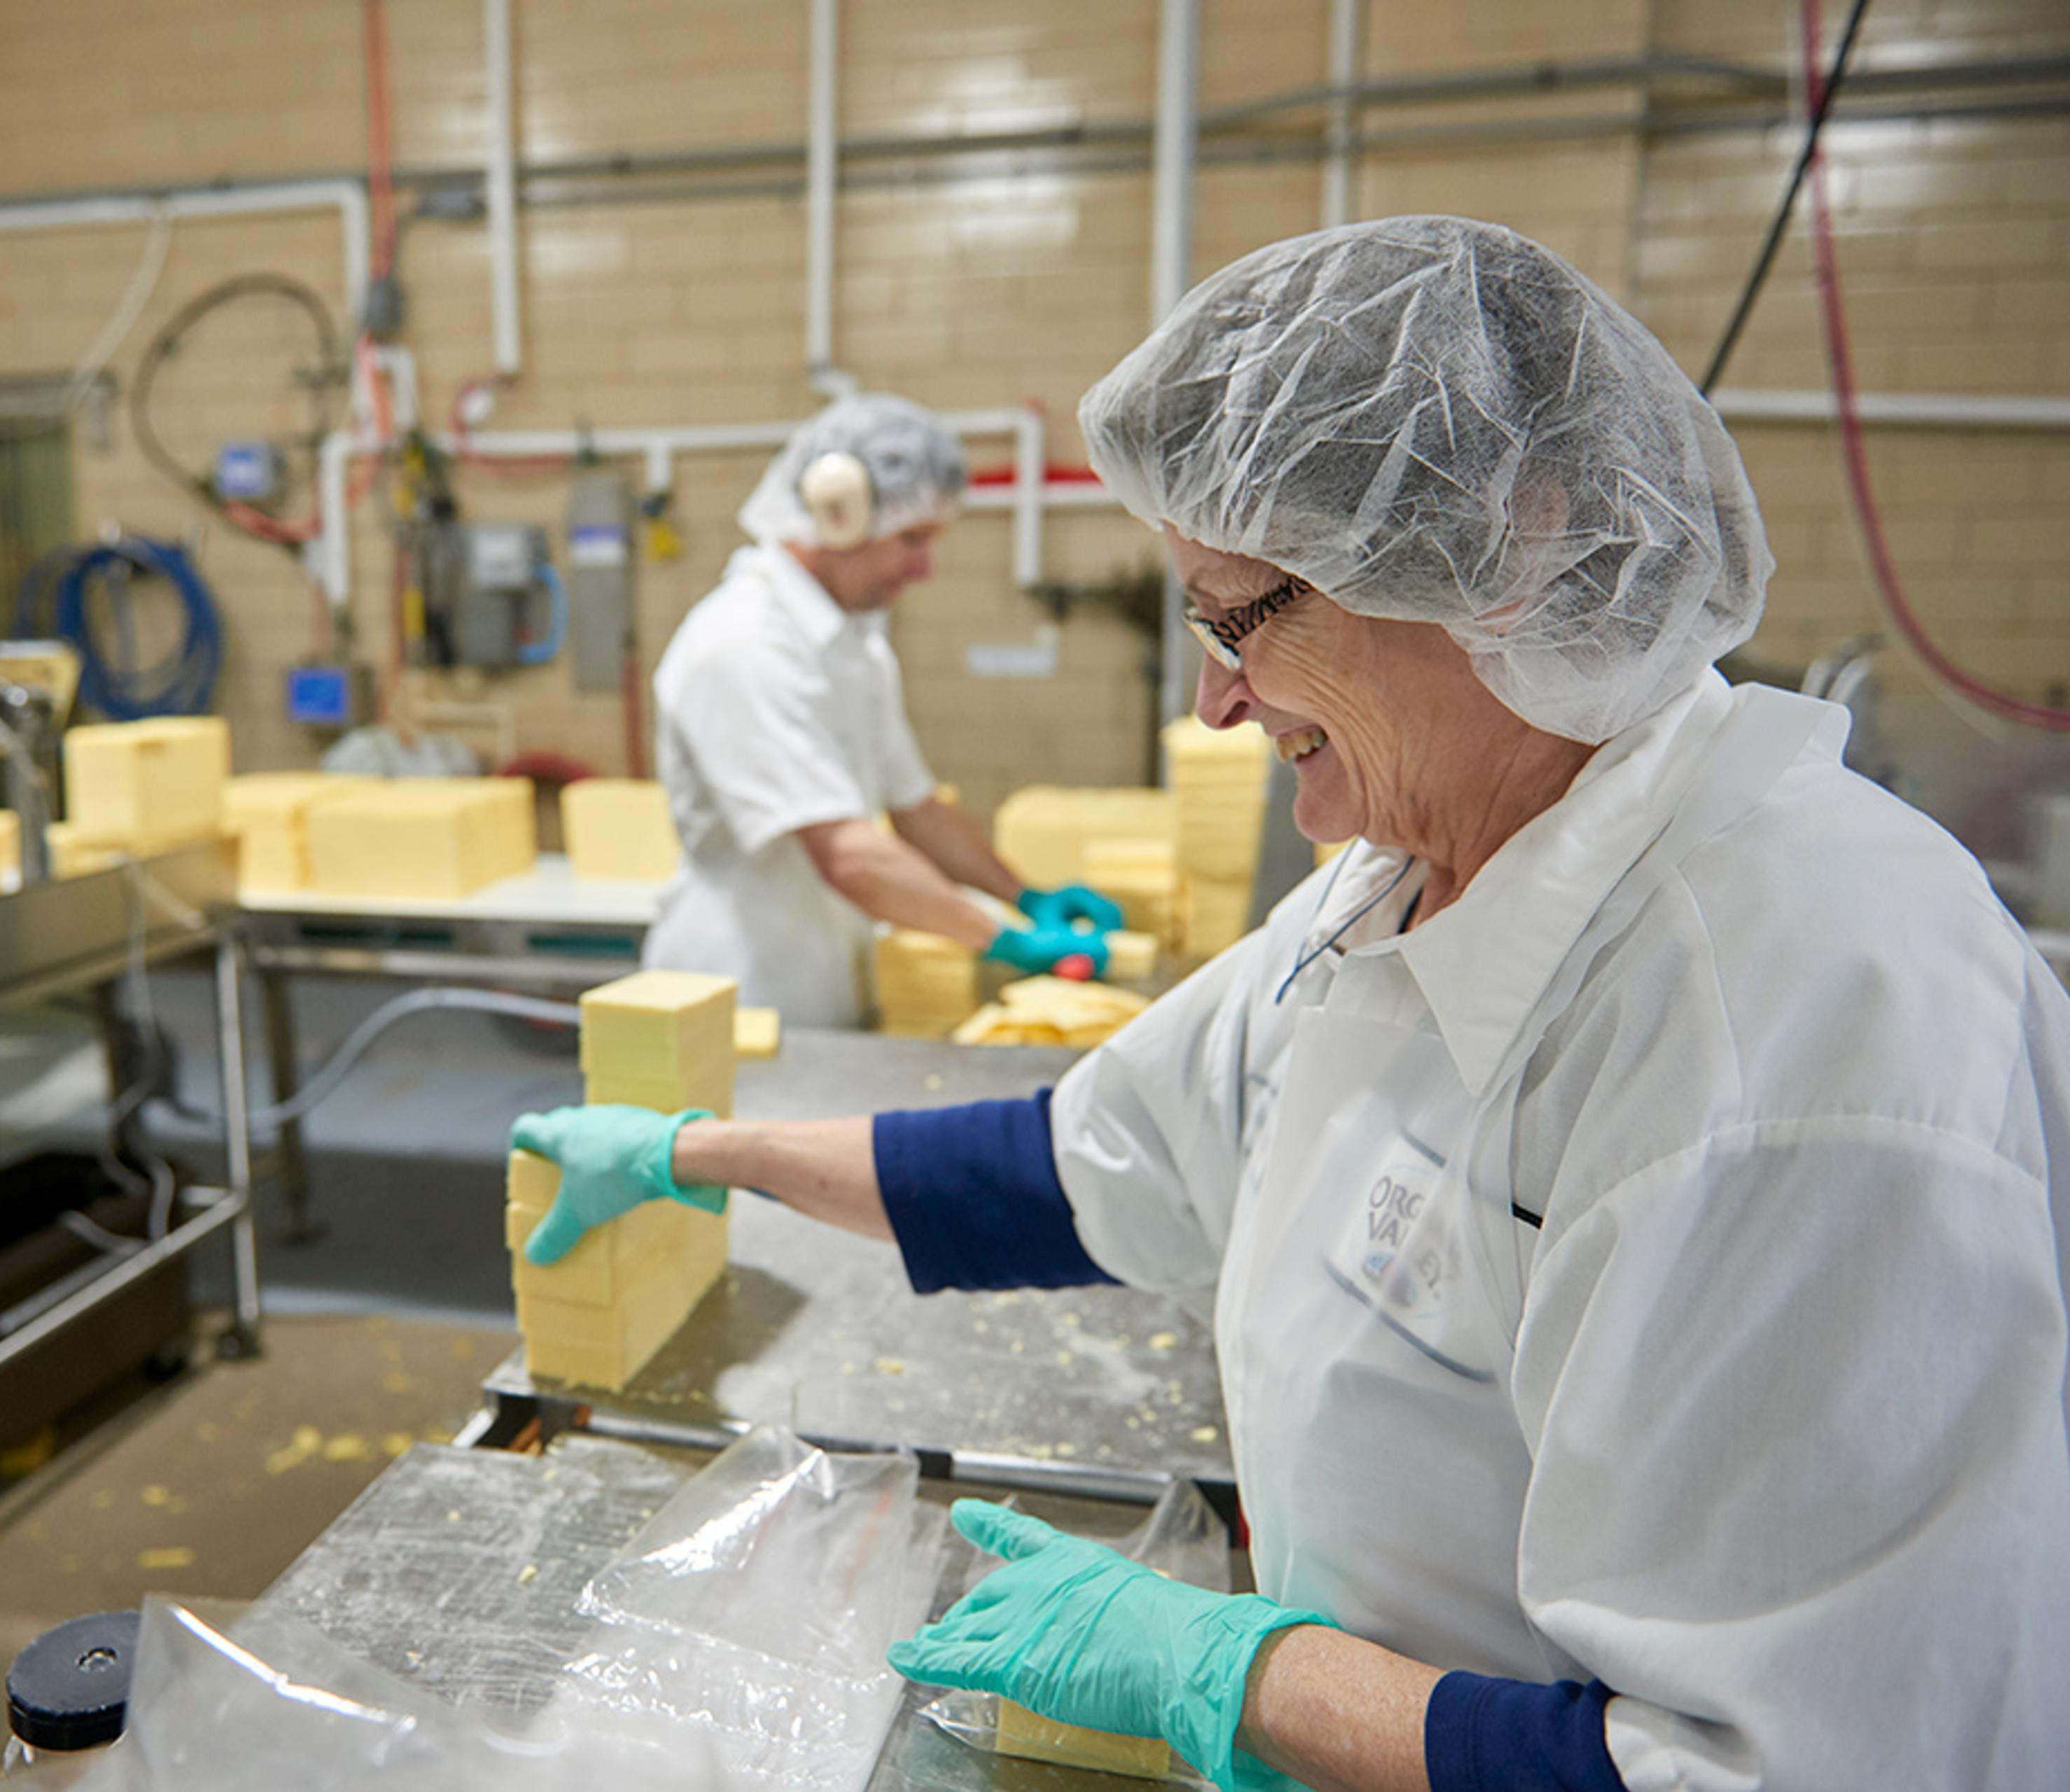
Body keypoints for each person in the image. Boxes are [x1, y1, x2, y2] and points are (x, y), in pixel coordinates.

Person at [509, 218, 2070, 1791]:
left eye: (1246, 620)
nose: (1215, 697)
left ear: (1508, 561)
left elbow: (1771, 1769)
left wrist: (1234, 1673)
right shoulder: (1399, 877)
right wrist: (694, 1153)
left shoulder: (1803, 1042)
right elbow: (1083, 1159)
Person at [642, 392, 1122, 1028]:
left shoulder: (854, 644)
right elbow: (848, 855)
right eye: (912, 539)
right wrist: (1006, 940)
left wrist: (1024, 896)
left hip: (824, 971)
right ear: (835, 513)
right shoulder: (743, 643)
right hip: (736, 990)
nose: (923, 569)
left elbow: (916, 809)